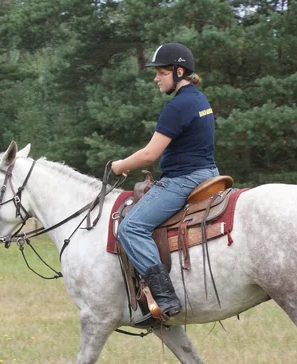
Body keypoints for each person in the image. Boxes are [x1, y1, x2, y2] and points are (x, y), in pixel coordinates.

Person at [111, 42, 219, 324]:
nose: (156, 78)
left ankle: (163, 297)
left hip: (184, 179)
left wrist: (120, 165)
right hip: (208, 172)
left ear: (178, 70)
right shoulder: (199, 99)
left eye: (160, 72)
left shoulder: (178, 106)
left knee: (130, 227)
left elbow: (149, 155)